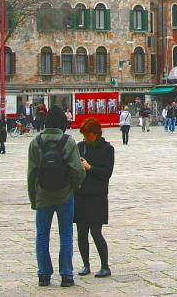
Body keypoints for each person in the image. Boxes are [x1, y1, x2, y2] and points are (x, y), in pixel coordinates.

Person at [28, 105, 85, 288]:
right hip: (64, 195)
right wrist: (74, 186)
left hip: (43, 196)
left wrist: (33, 199)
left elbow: (31, 174)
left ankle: (44, 275)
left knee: (42, 236)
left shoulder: (35, 142)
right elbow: (77, 170)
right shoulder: (68, 142)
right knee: (66, 235)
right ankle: (66, 275)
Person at [75, 118, 115, 278]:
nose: (85, 137)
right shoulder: (80, 147)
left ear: (96, 133)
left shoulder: (107, 149)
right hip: (80, 194)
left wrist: (90, 167)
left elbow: (107, 173)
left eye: (87, 134)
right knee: (81, 231)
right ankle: (86, 265)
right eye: (83, 135)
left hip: (97, 196)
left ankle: (105, 266)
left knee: (96, 232)